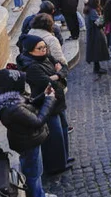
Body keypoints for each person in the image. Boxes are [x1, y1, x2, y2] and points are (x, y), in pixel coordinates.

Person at [0, 69, 60, 197]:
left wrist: (44, 96)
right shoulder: (14, 108)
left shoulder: (11, 99)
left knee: (35, 171)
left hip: (27, 140)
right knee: (33, 173)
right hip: (28, 142)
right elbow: (37, 121)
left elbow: (29, 106)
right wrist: (49, 100)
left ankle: (39, 194)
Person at [16, 36, 72, 175]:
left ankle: (64, 159)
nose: (44, 50)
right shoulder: (31, 67)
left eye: (44, 47)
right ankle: (56, 166)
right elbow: (48, 83)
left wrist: (57, 75)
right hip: (46, 102)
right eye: (39, 48)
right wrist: (59, 75)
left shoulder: (46, 56)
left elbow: (64, 67)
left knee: (63, 129)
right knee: (55, 135)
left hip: (57, 99)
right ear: (30, 50)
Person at [84, 0, 110, 75]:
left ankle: (97, 67)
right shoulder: (92, 12)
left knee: (95, 51)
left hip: (92, 33)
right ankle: (97, 68)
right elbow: (99, 23)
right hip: (95, 34)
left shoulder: (88, 9)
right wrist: (104, 16)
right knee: (96, 51)